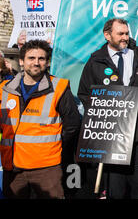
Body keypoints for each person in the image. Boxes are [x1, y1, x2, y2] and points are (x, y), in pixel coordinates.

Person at [78, 18, 138, 199]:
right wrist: (100, 116)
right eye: (120, 34)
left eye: (127, 33)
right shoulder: (96, 61)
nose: (125, 37)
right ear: (107, 35)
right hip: (112, 141)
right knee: (116, 192)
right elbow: (85, 94)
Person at [0, 39, 81, 199]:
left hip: (46, 169)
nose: (36, 63)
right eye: (31, 58)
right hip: (13, 168)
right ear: (21, 61)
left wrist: (54, 150)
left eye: (41, 59)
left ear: (47, 62)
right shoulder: (4, 89)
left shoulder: (59, 88)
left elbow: (72, 125)